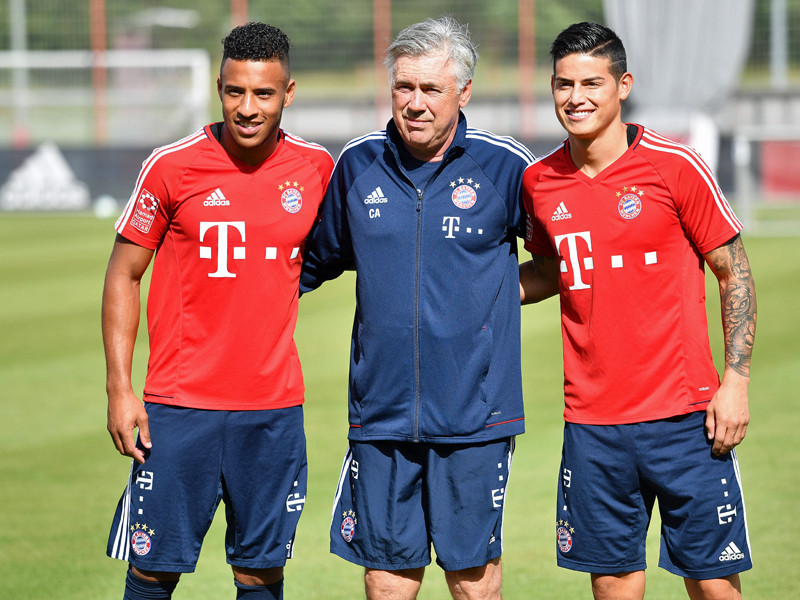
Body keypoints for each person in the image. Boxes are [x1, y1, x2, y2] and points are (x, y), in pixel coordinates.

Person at [299, 16, 535, 600]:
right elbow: (311, 263)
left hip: (474, 416)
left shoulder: (505, 167)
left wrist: (490, 300)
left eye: (431, 89)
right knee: (385, 580)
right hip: (380, 414)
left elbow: (561, 261)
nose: (415, 103)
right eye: (404, 87)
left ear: (464, 92)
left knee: (473, 580)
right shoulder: (357, 164)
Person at [519, 21, 756, 600]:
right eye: (563, 84)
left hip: (686, 417)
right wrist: (463, 288)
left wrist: (736, 380)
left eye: (592, 83)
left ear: (623, 85)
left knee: (714, 586)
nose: (576, 98)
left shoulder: (676, 166)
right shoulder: (539, 182)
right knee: (615, 586)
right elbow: (551, 272)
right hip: (593, 423)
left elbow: (735, 273)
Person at [102, 22, 334, 600]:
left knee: (260, 573)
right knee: (154, 570)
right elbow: (123, 274)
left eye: (263, 93)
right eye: (235, 92)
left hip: (273, 409)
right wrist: (119, 389)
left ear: (288, 92)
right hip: (180, 409)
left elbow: (343, 252)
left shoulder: (316, 169)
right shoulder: (171, 166)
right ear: (219, 88)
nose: (248, 108)